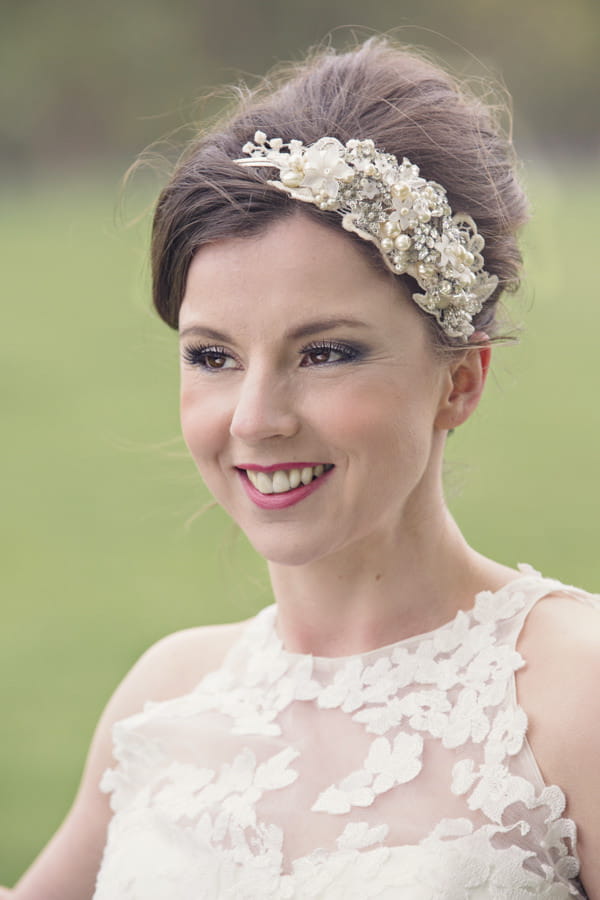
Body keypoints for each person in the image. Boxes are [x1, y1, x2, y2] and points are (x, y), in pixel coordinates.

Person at [4, 36, 600, 900]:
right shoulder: (168, 699)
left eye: (324, 353)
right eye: (213, 357)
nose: (255, 418)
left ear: (460, 380)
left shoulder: (577, 691)